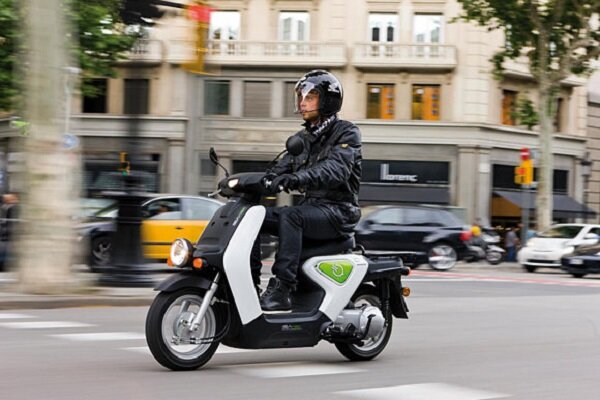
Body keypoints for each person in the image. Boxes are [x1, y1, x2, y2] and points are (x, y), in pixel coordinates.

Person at [251, 70, 362, 311]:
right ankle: (249, 285)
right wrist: (250, 182)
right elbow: (278, 169)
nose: (302, 102)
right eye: (301, 97)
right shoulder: (302, 139)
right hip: (311, 209)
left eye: (310, 97)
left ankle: (282, 289)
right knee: (252, 216)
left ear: (328, 101)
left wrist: (296, 178)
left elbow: (335, 170)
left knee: (291, 216)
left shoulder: (346, 132)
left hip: (338, 212)